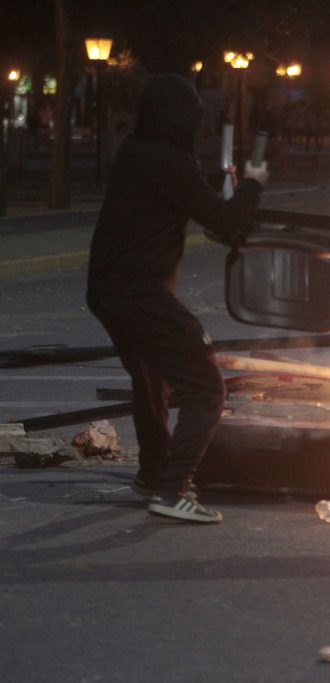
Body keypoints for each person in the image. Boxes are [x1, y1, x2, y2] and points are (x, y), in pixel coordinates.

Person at [87, 74, 269, 524]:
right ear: (177, 118)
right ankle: (173, 490)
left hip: (108, 290)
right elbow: (225, 221)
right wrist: (253, 184)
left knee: (151, 377)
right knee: (206, 386)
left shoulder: (137, 152)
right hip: (140, 292)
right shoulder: (169, 161)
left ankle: (153, 474)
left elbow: (182, 195)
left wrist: (213, 183)